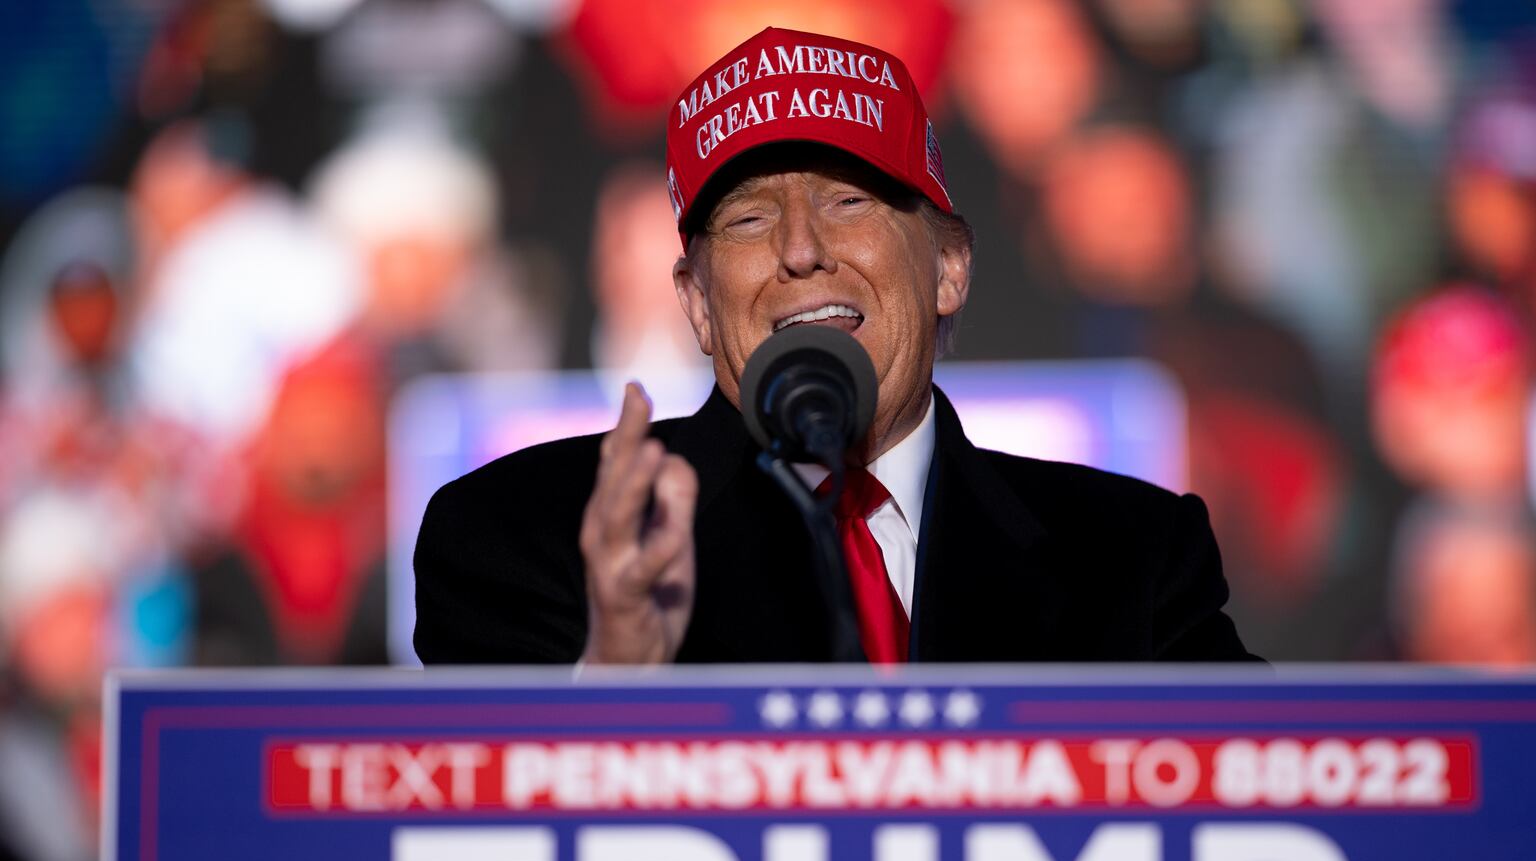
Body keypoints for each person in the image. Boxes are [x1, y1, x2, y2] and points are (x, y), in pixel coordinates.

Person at [413, 27, 1258, 666]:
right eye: (748, 218)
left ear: (950, 270)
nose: (800, 248)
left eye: (850, 203)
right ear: (698, 305)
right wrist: (619, 691)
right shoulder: (522, 537)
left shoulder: (1135, 560)